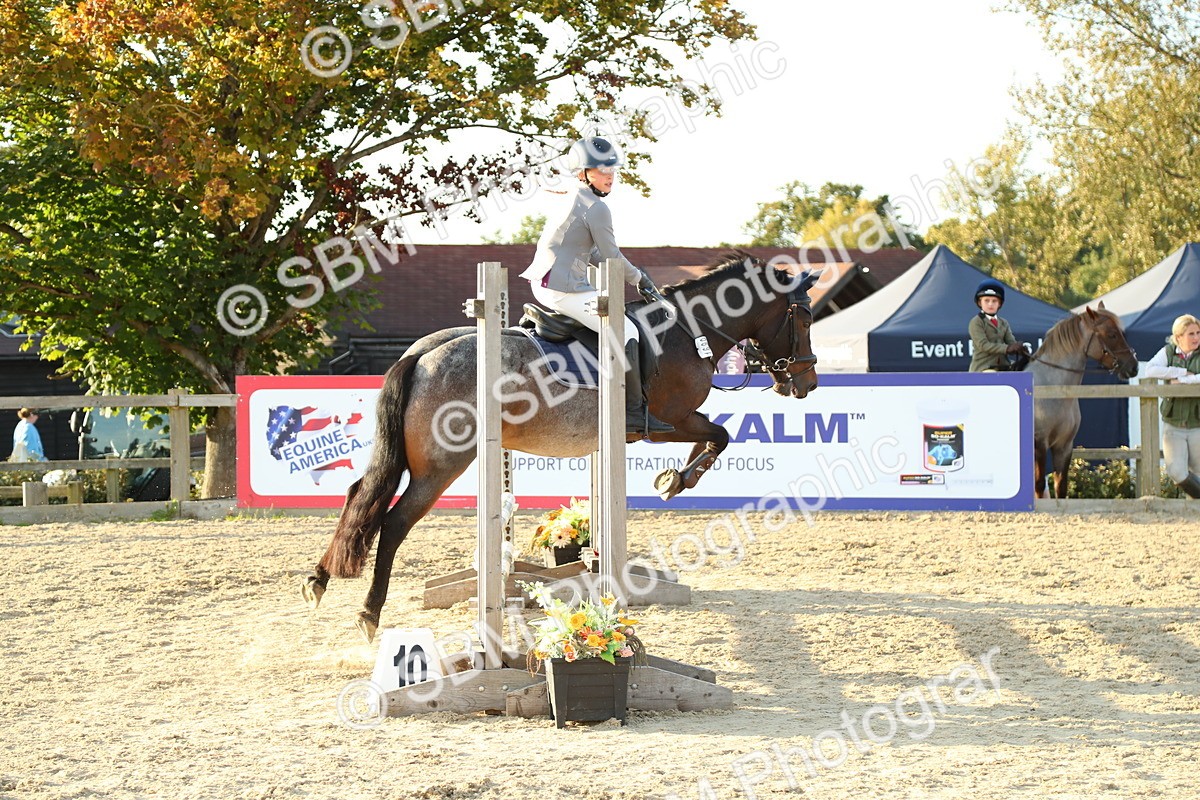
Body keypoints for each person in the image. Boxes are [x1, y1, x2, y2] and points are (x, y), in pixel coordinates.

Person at [520, 136, 673, 436]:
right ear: (583, 173)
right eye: (602, 171)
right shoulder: (597, 208)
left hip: (550, 282)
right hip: (561, 288)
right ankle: (632, 412)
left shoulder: (575, 198)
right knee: (627, 331)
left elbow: (594, 254)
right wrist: (640, 279)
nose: (610, 176)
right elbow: (611, 256)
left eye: (612, 170)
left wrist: (634, 278)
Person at [1141, 314, 1200, 498]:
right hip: (1173, 424)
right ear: (1179, 337)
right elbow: (1150, 370)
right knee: (1176, 471)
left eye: (1198, 333)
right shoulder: (1168, 352)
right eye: (1191, 334)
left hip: (1198, 423)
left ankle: (1193, 512)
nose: (1196, 337)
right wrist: (1180, 371)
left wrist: (1185, 380)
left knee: (1199, 472)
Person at [968, 279, 1027, 372]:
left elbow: (1010, 342)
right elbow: (983, 345)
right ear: (980, 303)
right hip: (984, 368)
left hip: (1004, 366)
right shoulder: (976, 322)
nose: (990, 304)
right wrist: (1007, 348)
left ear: (999, 304)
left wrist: (1019, 349)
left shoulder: (1003, 322)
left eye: (994, 301)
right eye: (986, 301)